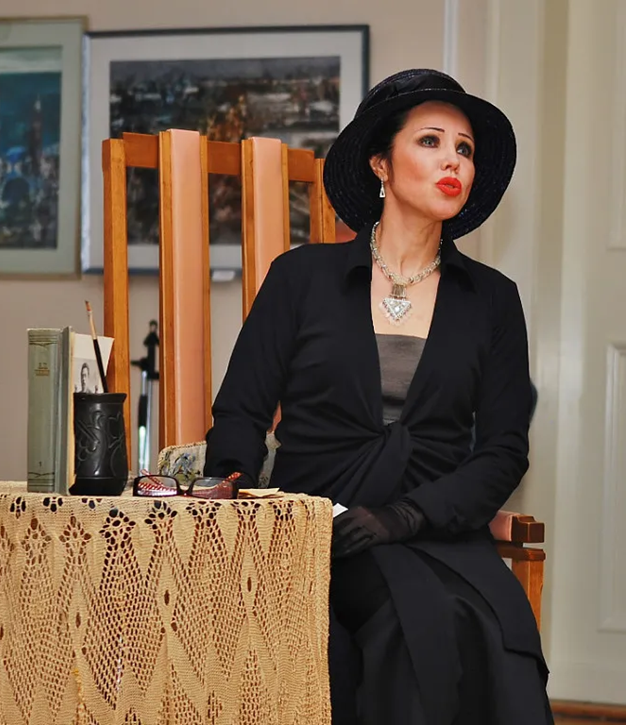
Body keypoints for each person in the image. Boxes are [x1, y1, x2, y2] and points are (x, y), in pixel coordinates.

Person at [202, 69, 553, 725]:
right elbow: (241, 413)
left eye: (465, 148)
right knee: (413, 621)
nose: (453, 160)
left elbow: (503, 451)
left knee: (482, 627)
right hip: (317, 531)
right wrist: (237, 503)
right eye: (430, 141)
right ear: (380, 163)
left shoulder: (492, 300)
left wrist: (406, 516)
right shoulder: (300, 278)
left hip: (436, 527)